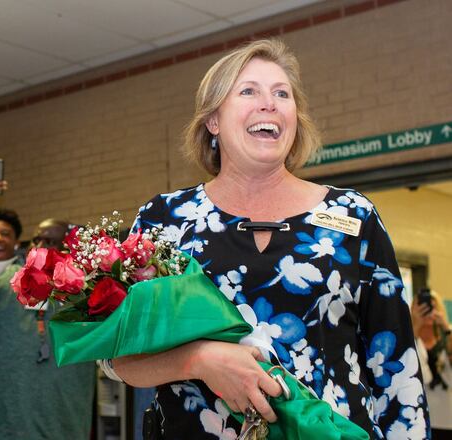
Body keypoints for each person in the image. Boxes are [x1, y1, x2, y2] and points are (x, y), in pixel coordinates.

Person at [109, 39, 429, 438]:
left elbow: (397, 370)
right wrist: (199, 360)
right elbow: (118, 357)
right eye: (248, 91)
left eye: (282, 94)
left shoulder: (352, 216)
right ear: (213, 121)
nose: (270, 103)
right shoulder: (165, 221)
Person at [0, 176, 95, 440]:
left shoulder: (91, 293)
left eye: (51, 242)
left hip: (63, 428)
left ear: (71, 249)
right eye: (36, 240)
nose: (41, 248)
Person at [412, 289, 452, 437]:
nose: (428, 310)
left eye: (432, 306)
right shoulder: (408, 337)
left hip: (447, 416)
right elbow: (408, 362)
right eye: (422, 306)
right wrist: (415, 326)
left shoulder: (447, 335)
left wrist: (446, 328)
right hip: (419, 416)